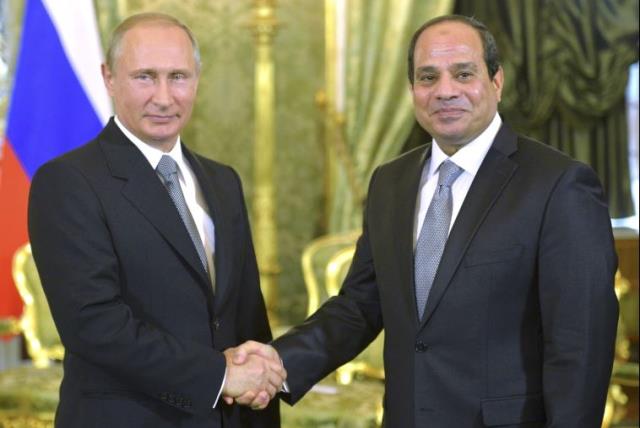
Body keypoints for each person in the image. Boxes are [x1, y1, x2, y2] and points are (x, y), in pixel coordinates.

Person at [233, 14, 619, 427]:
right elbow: (359, 307)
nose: (445, 91)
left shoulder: (558, 184)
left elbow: (580, 345)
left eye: (464, 73)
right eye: (428, 77)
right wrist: (278, 361)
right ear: (413, 89)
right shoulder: (390, 182)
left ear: (497, 82)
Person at [28, 12, 284, 428]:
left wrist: (259, 385)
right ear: (109, 79)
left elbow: (246, 317)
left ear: (197, 79)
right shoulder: (68, 182)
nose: (164, 97)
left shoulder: (222, 181)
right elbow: (95, 326)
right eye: (145, 77)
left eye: (178, 76)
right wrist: (220, 376)